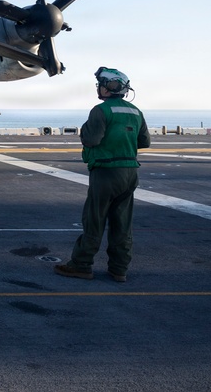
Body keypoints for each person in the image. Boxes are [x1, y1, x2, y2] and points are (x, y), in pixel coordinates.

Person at [55, 67, 150, 283]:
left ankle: (81, 265)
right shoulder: (136, 112)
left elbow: (92, 140)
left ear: (108, 87)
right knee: (122, 223)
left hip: (106, 172)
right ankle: (119, 269)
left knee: (94, 220)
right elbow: (144, 142)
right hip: (130, 173)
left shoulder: (101, 110)